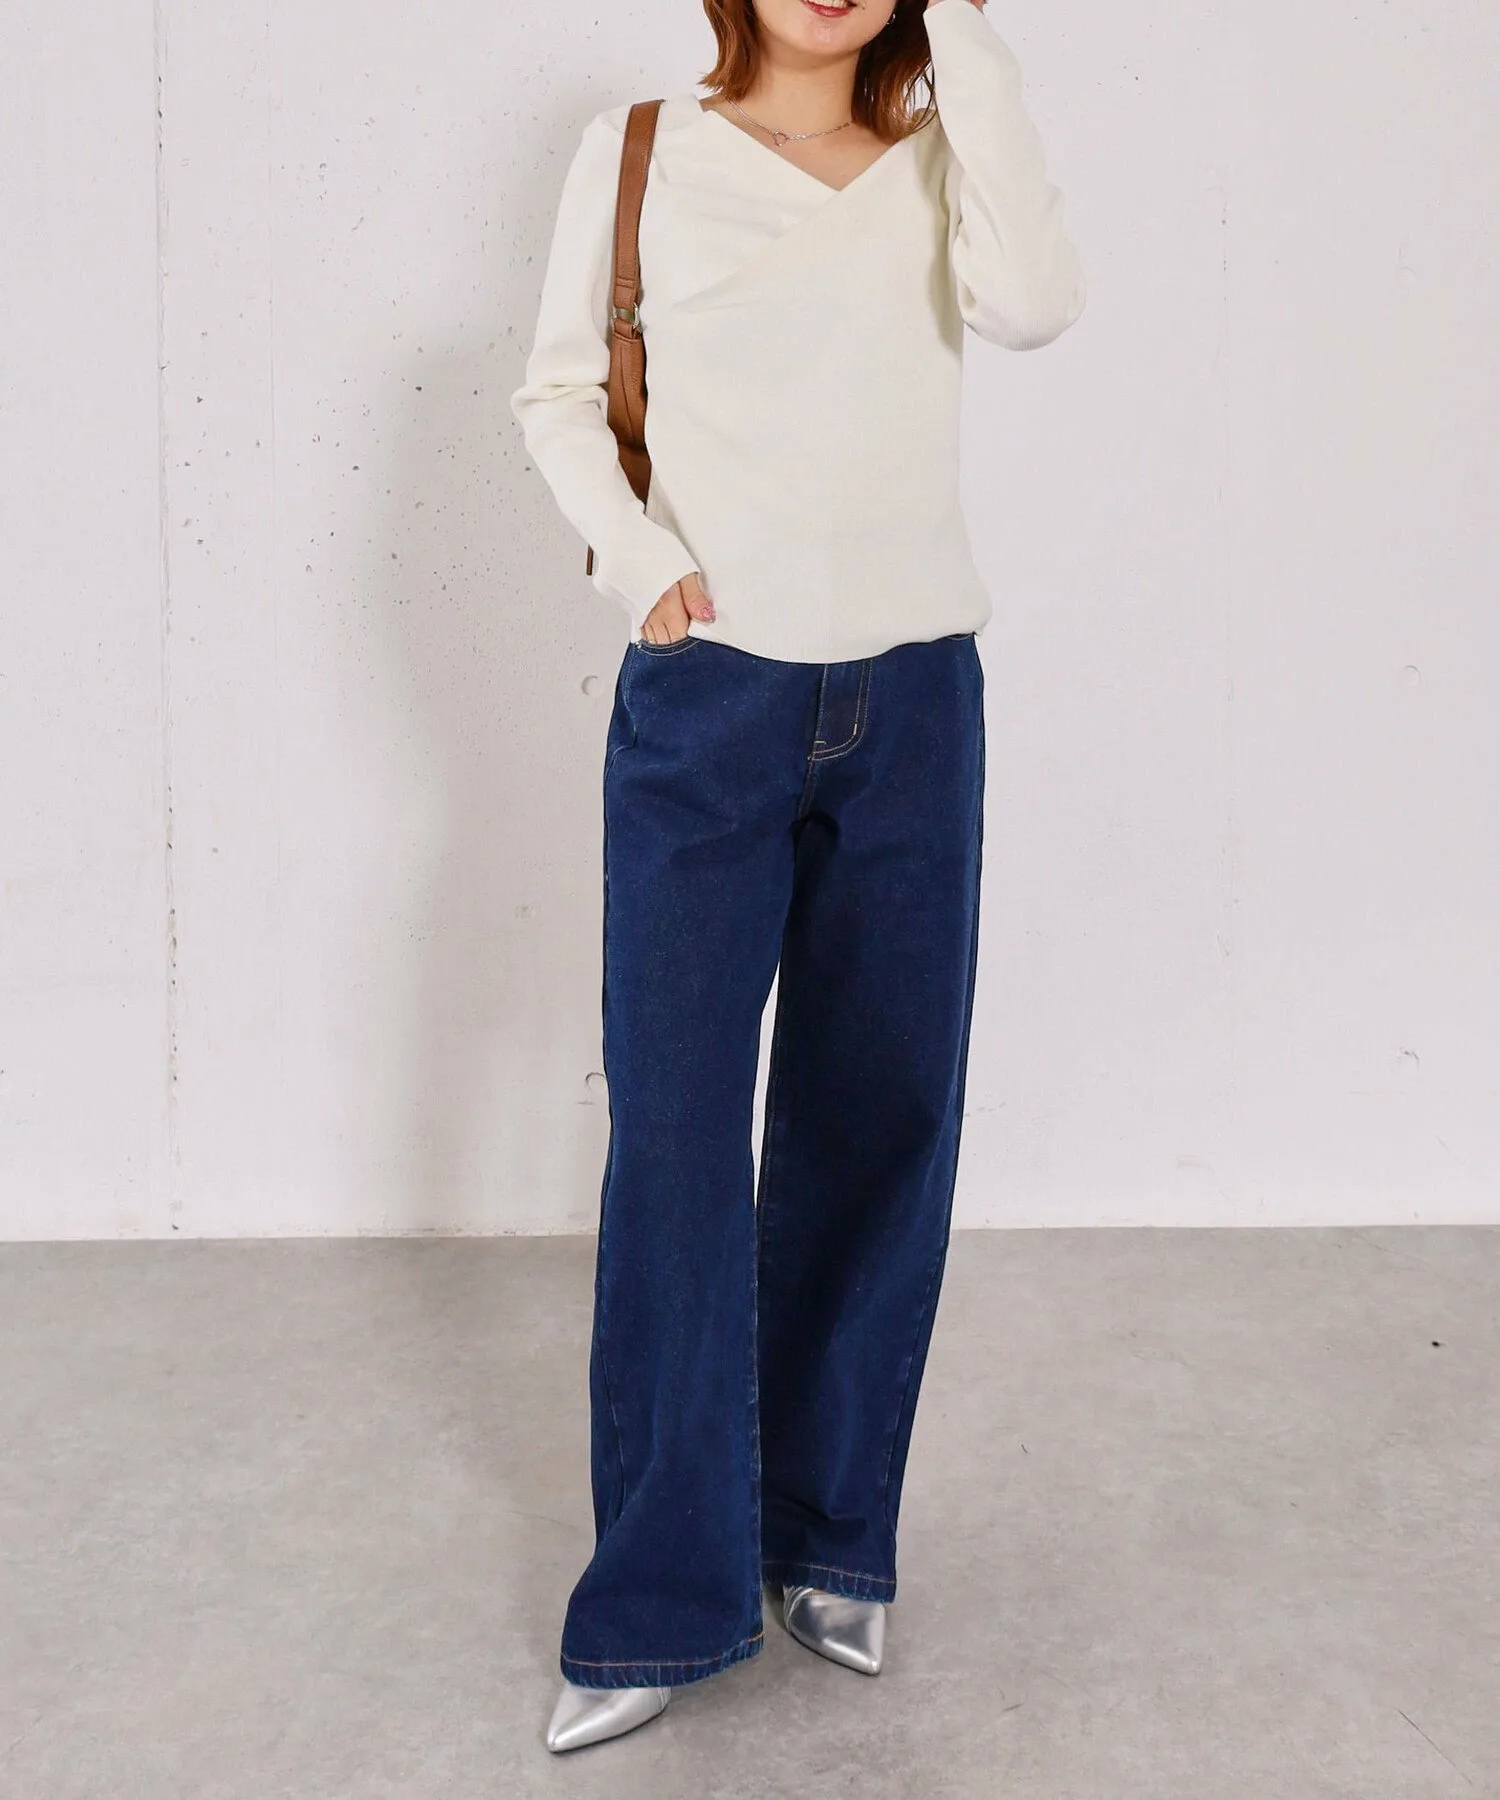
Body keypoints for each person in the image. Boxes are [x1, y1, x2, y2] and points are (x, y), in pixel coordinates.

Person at [509, 0, 1085, 1754]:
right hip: (713, 697)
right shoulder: (641, 153)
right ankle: (660, 1601)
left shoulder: (945, 162)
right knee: (679, 1141)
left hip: (917, 695)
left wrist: (970, 45)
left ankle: (834, 1532)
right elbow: (557, 393)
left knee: (879, 1119)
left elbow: (1039, 304)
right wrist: (643, 566)